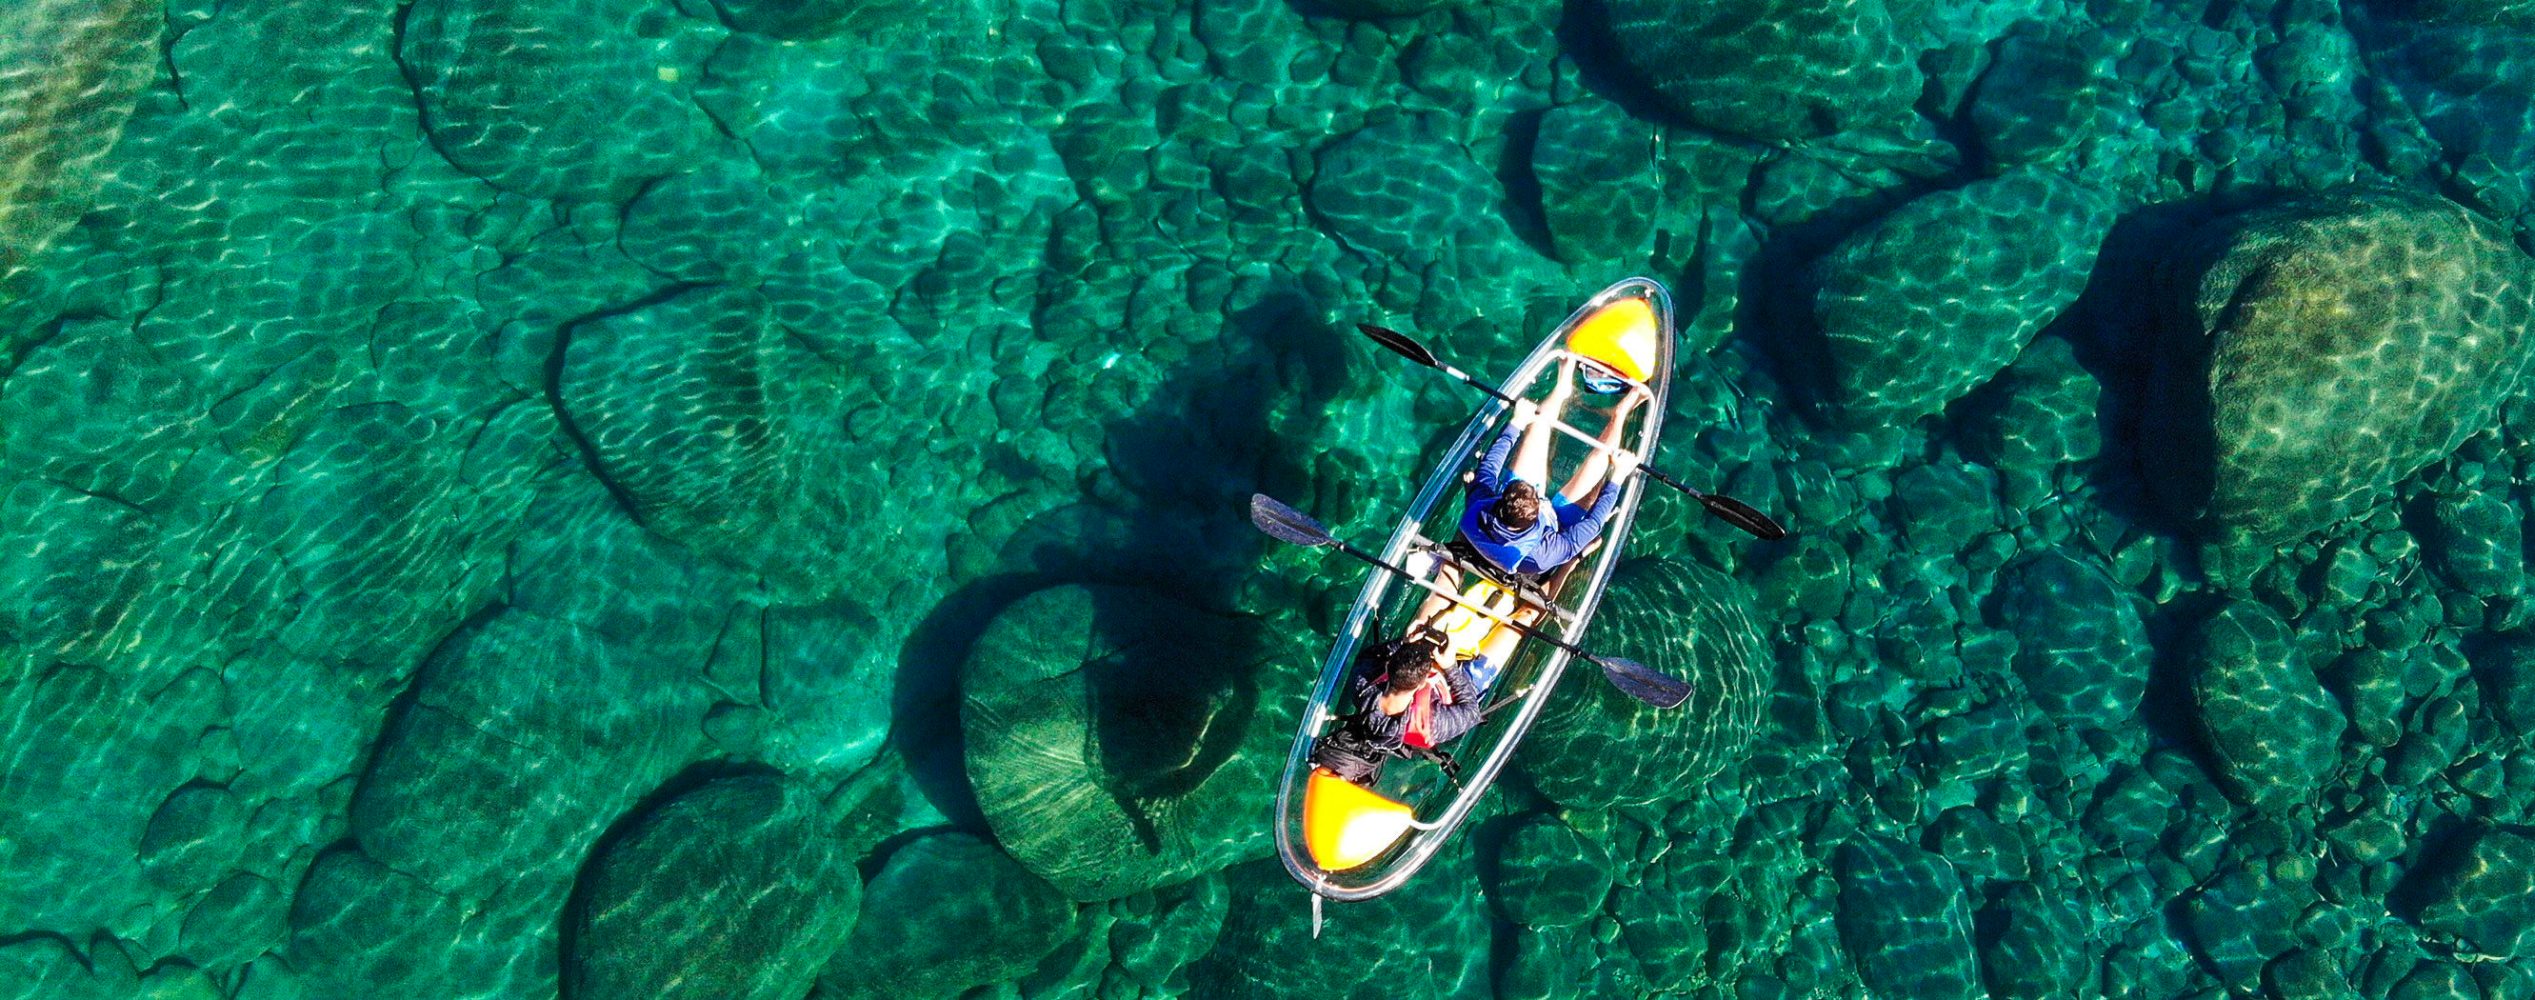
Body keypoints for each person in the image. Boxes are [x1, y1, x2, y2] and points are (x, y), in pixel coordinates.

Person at [1413, 359, 1645, 626]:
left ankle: (1561, 389)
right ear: (1535, 514)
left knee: (1536, 428)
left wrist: (1517, 422)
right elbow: (1593, 523)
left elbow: (1490, 466)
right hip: (1548, 535)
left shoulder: (1480, 506)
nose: (1538, 490)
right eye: (1535, 495)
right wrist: (1617, 476)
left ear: (1501, 499)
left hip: (1503, 534)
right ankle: (1621, 412)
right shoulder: (1547, 550)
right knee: (1599, 463)